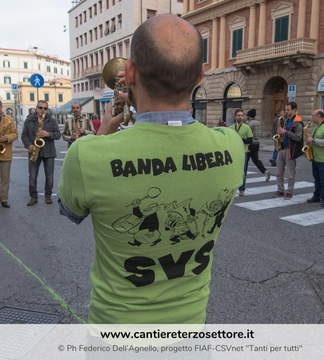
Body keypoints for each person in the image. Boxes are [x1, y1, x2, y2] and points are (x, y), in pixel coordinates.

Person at [57, 14, 245, 325]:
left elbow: (70, 211)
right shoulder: (232, 146)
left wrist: (103, 131)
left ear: (129, 73)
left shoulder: (87, 155)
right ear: (200, 76)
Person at [22, 101, 60, 206]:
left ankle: (48, 195)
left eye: (45, 108)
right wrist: (29, 145)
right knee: (32, 176)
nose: (43, 110)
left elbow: (58, 134)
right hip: (34, 151)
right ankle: (33, 197)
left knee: (49, 176)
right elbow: (24, 135)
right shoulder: (29, 120)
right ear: (36, 108)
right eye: (40, 107)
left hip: (48, 151)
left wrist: (49, 134)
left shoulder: (52, 121)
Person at [305, 109, 324, 207]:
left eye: (313, 116)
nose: (311, 118)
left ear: (318, 116)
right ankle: (317, 196)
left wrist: (313, 140)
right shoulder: (317, 127)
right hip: (316, 158)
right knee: (317, 179)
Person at [274, 102, 303, 200]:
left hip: (290, 150)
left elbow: (298, 137)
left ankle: (290, 191)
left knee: (291, 173)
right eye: (285, 110)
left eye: (288, 110)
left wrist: (285, 132)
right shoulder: (285, 120)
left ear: (294, 110)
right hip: (282, 148)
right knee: (279, 172)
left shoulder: (298, 122)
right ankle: (280, 190)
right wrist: (281, 138)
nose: (286, 112)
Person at [229, 109, 254, 196]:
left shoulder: (246, 127)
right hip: (233, 152)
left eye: (241, 115)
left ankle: (242, 189)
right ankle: (232, 188)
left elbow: (250, 140)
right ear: (235, 116)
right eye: (238, 115)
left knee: (243, 171)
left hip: (243, 152)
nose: (240, 117)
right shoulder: (230, 128)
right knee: (232, 171)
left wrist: (242, 140)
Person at [245, 109, 271, 182]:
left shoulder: (249, 124)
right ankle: (265, 171)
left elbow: (247, 134)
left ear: (249, 116)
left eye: (247, 115)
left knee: (245, 160)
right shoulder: (258, 123)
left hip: (250, 143)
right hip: (257, 143)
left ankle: (243, 176)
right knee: (256, 160)